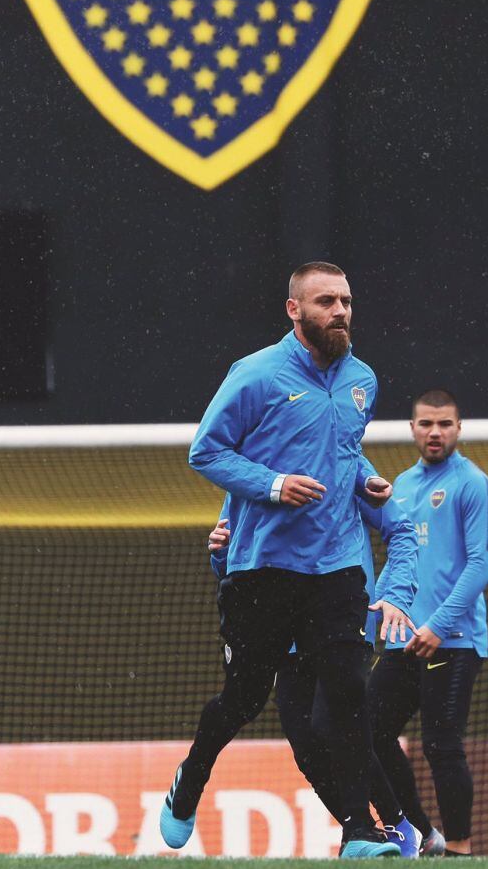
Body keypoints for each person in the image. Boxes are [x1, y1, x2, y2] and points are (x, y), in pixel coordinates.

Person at [159, 261, 402, 858]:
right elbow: (205, 451)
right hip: (263, 566)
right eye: (325, 302)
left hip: (338, 564)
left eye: (345, 300)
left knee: (347, 691)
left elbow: (343, 453)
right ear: (294, 310)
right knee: (244, 698)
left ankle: (360, 833)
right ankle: (189, 781)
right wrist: (272, 485)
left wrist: (367, 480)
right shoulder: (256, 375)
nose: (340, 312)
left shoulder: (363, 380)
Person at [207, 492, 422, 857]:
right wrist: (220, 552)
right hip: (285, 631)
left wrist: (395, 592)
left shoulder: (343, 459)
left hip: (341, 618)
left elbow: (400, 529)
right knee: (305, 746)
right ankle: (369, 834)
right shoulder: (244, 481)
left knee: (332, 723)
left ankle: (398, 826)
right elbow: (238, 560)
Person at [367, 389, 488, 858]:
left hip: (454, 640)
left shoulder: (473, 484)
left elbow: (481, 563)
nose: (435, 432)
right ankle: (423, 835)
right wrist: (381, 611)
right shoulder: (400, 485)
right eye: (426, 424)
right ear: (412, 429)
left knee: (441, 745)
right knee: (367, 729)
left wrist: (439, 625)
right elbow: (398, 559)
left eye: (445, 424)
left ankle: (461, 851)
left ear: (459, 429)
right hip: (406, 639)